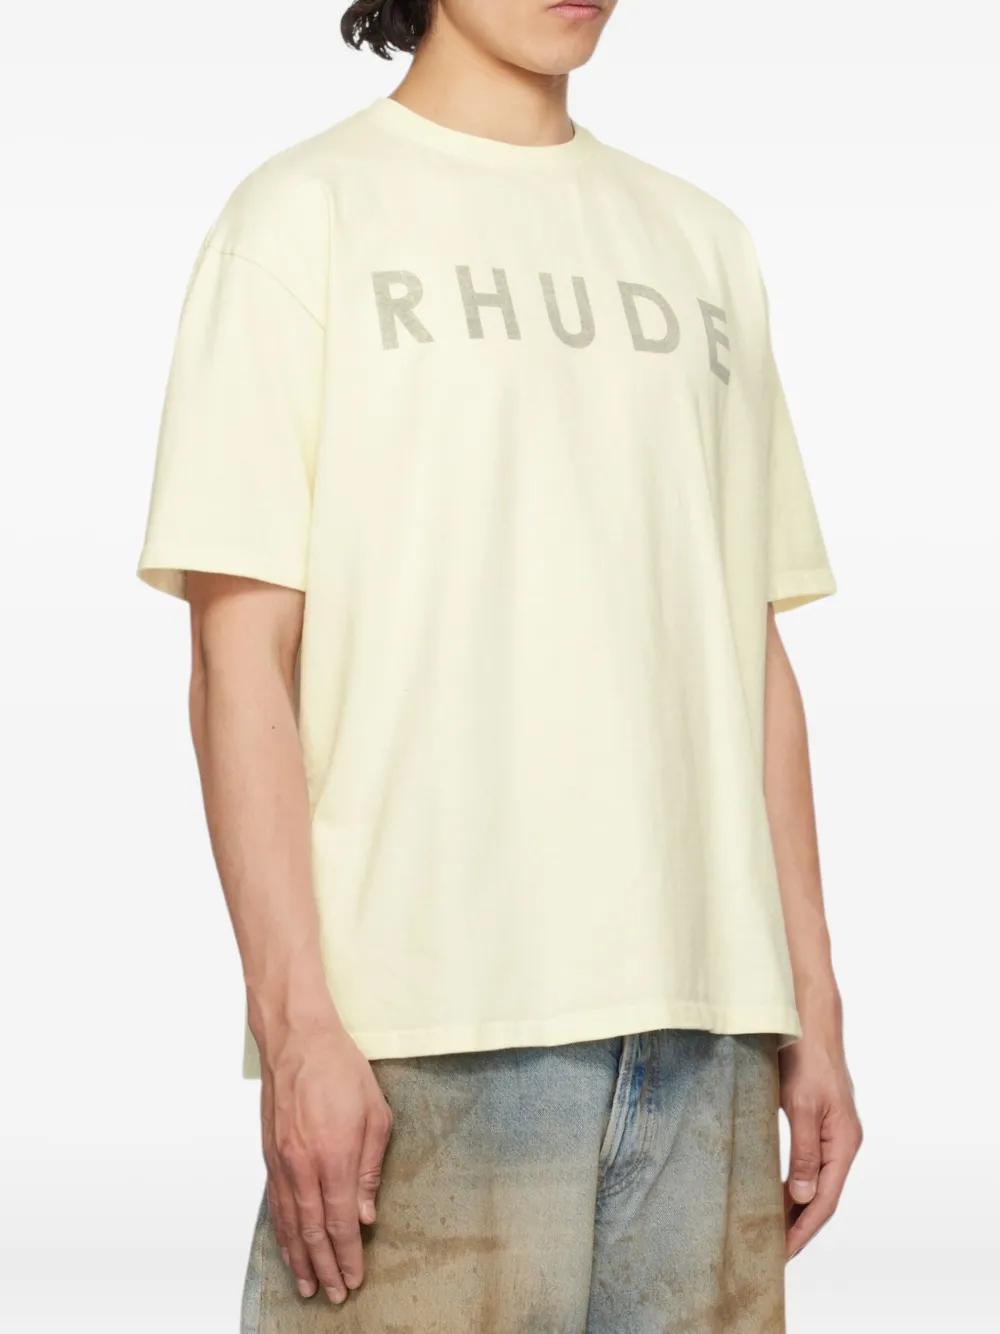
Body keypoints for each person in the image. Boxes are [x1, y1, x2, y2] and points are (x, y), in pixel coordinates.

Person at [137, 1, 862, 1329]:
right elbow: (238, 657)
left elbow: (748, 652)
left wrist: (810, 1002)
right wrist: (297, 1028)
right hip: (423, 1038)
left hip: (709, 1039)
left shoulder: (703, 241)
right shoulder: (303, 219)